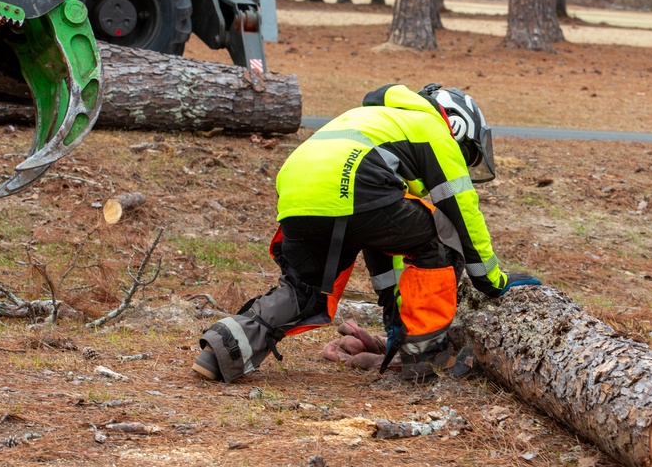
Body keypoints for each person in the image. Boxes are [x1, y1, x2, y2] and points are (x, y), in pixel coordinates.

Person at [192, 83, 540, 383]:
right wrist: (491, 280)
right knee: (441, 235)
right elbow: (463, 213)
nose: (461, 159)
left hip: (298, 195)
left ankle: (223, 349)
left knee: (306, 290)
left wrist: (393, 317)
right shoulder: (431, 127)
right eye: (466, 151)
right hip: (355, 187)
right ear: (458, 125)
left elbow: (382, 240)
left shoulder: (376, 119)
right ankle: (425, 355)